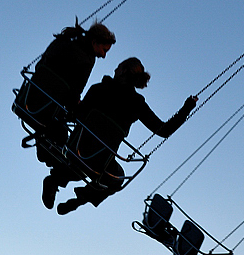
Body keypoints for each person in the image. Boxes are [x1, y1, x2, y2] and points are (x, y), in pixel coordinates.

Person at [47, 57, 197, 214]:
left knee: (76, 158)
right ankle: (79, 200)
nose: (114, 70)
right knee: (116, 178)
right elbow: (163, 130)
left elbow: (76, 115)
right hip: (101, 160)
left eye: (118, 67)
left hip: (77, 148)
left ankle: (54, 180)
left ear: (124, 71)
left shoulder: (98, 89)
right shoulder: (137, 104)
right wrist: (186, 109)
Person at [20, 21, 115, 193]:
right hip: (50, 108)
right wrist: (79, 109)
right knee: (70, 139)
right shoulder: (87, 59)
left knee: (58, 130)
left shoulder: (64, 40)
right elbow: (74, 92)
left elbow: (40, 66)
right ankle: (55, 174)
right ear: (95, 42)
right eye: (104, 50)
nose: (103, 56)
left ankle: (48, 155)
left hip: (30, 97)